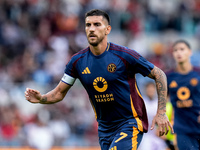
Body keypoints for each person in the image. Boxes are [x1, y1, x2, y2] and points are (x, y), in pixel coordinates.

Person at [25, 9, 173, 150]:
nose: (91, 29)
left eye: (97, 24)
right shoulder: (77, 61)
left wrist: (161, 112)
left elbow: (159, 74)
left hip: (130, 122)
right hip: (104, 128)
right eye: (88, 25)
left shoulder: (124, 55)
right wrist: (41, 98)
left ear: (107, 29)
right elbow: (59, 93)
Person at [166, 40, 200, 150]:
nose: (178, 53)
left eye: (182, 49)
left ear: (189, 52)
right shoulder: (168, 76)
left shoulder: (198, 73)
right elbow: (163, 101)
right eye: (175, 50)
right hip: (183, 129)